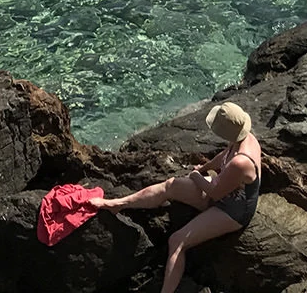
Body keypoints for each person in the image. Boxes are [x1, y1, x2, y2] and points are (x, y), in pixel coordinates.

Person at [89, 102, 262, 293]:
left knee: (177, 241)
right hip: (221, 187)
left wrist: (196, 176)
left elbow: (215, 193)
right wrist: (204, 169)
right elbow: (224, 156)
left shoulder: (241, 161)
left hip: (233, 209)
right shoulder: (242, 137)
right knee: (170, 185)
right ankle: (118, 204)